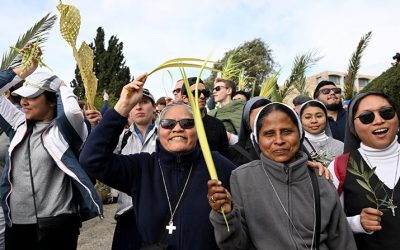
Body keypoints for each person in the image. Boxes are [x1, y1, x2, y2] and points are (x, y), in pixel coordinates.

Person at [79, 74, 235, 249]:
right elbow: (91, 159)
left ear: (197, 130)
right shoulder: (142, 167)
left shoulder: (217, 165)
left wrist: (230, 211)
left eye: (186, 123)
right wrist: (123, 107)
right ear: (159, 131)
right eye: (168, 123)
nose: (177, 128)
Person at [208, 102, 356, 250]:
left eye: (287, 131)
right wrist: (226, 215)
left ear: (300, 134)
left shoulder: (321, 178)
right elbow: (235, 245)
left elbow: (342, 241)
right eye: (269, 134)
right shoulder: (242, 179)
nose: (279, 141)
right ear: (257, 139)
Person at [0, 65, 102, 248]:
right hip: (16, 225)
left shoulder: (66, 130)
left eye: (32, 96)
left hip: (58, 226)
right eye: (22, 96)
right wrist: (20, 71)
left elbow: (71, 112)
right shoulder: (17, 125)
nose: (23, 102)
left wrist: (61, 85)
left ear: (52, 100)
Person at [328, 91, 400, 250]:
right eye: (367, 117)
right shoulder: (339, 167)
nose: (379, 121)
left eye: (386, 113)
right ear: (353, 125)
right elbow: (327, 220)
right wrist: (356, 223)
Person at [112, 88, 157, 250]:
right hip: (127, 214)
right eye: (134, 104)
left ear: (154, 108)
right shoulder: (120, 138)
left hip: (159, 214)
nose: (138, 107)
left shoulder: (166, 136)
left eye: (144, 102)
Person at [181, 77, 229, 157]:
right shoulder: (178, 125)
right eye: (196, 93)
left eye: (205, 92)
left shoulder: (217, 125)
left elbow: (225, 157)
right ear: (185, 98)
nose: (202, 96)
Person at [229, 96, 271, 166]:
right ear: (247, 121)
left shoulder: (283, 145)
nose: (264, 122)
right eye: (258, 117)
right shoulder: (235, 153)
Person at [300, 100, 344, 165]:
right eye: (308, 117)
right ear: (300, 120)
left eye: (319, 116)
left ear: (326, 118)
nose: (314, 121)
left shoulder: (341, 146)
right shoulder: (297, 146)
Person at [208, 78, 245, 144]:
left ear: (229, 90)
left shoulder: (240, 109)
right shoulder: (212, 113)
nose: (214, 92)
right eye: (213, 89)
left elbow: (246, 141)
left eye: (218, 88)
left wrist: (228, 136)